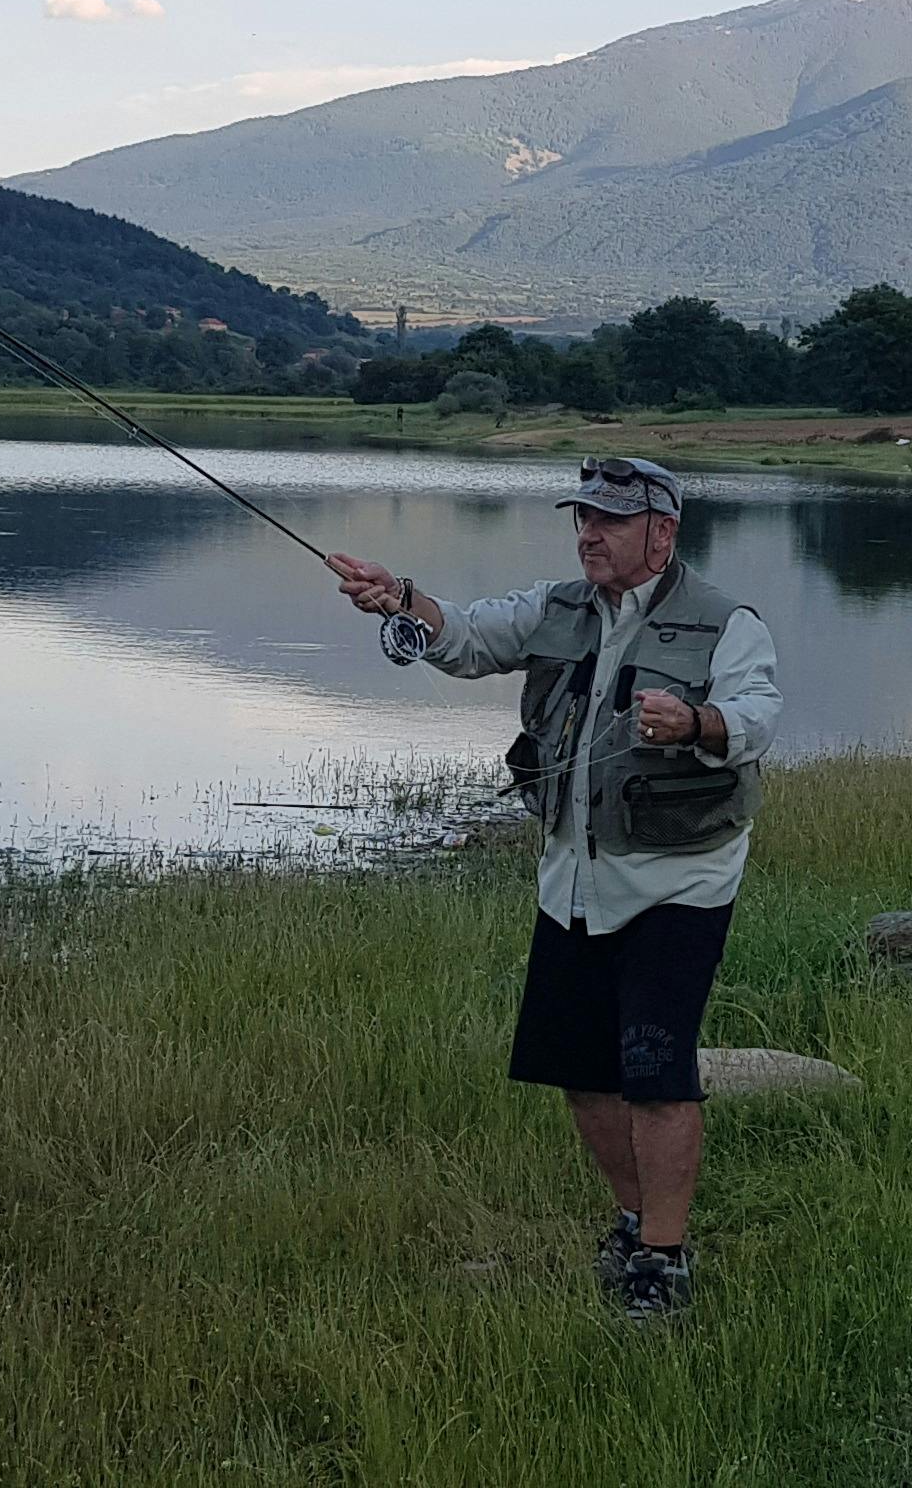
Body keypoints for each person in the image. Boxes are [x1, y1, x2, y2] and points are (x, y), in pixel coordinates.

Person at [326, 455, 779, 1320]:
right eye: (584, 517)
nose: (589, 534)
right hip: (570, 881)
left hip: (679, 882)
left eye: (610, 520)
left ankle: (663, 1260)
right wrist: (401, 599)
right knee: (581, 1073)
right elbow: (463, 638)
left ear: (663, 532)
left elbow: (757, 716)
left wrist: (697, 722)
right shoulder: (554, 607)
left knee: (655, 1070)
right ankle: (636, 1217)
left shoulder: (727, 623)